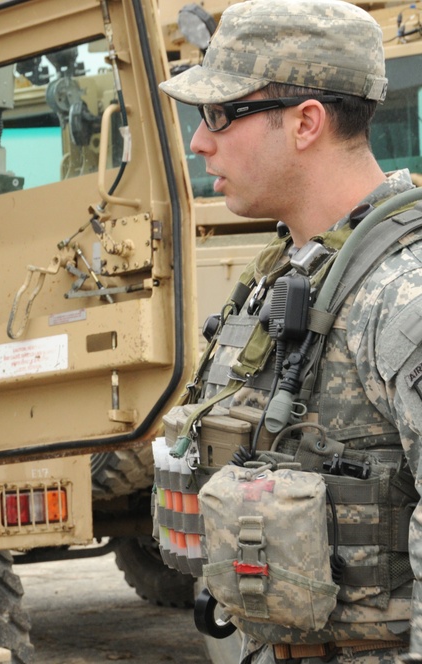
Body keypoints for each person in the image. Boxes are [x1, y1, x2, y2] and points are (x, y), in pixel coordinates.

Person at [157, 0, 422, 662]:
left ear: (306, 122)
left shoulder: (401, 294)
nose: (200, 141)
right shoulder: (290, 275)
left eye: (220, 114)